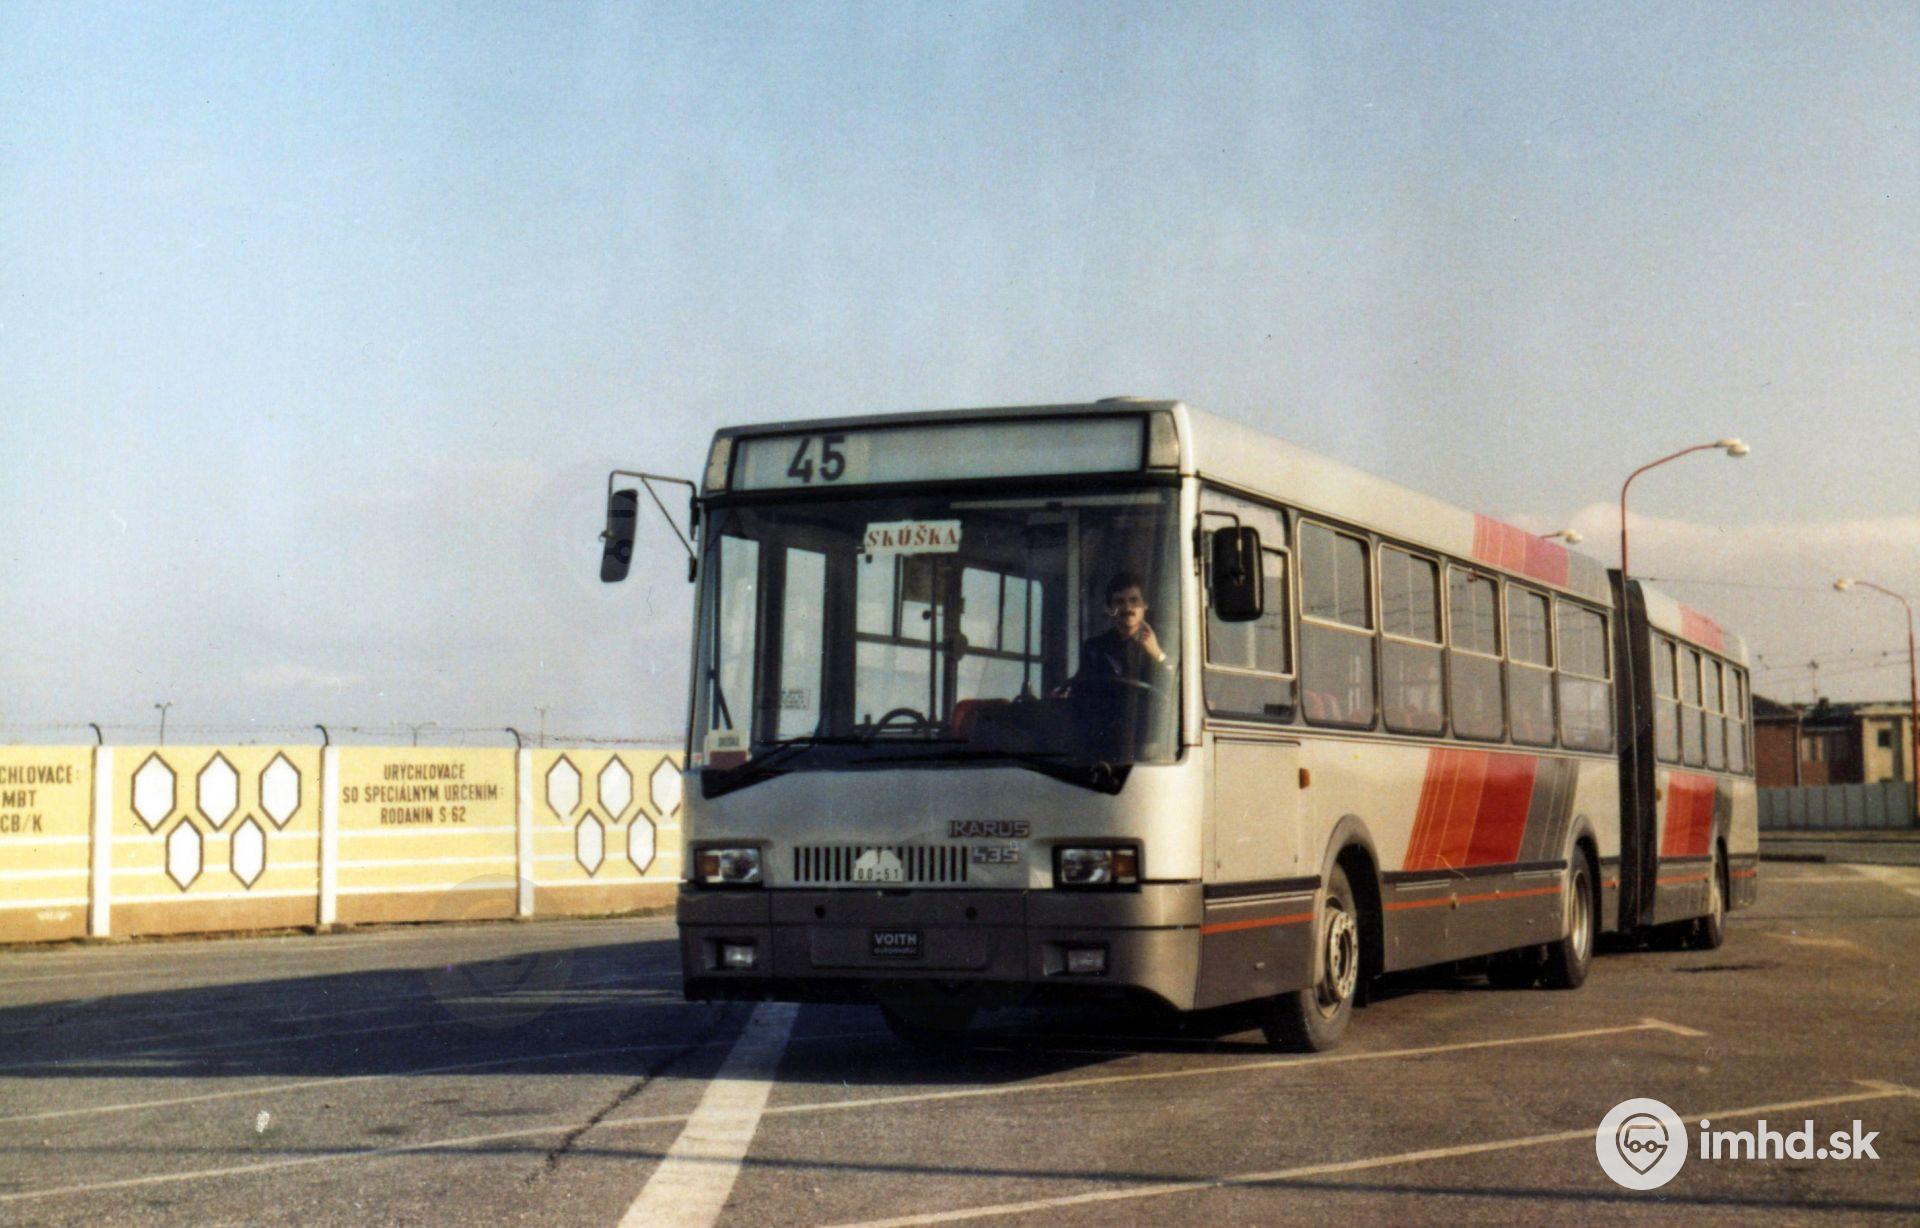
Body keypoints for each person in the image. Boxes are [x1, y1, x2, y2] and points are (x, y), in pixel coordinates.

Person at [1055, 571, 1172, 698]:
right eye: (1120, 602)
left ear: (1144, 605)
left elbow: (1177, 683)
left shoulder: (1166, 641)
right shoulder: (1095, 648)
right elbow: (1080, 687)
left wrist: (1157, 653)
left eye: (1134, 600)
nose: (1128, 608)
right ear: (1109, 608)